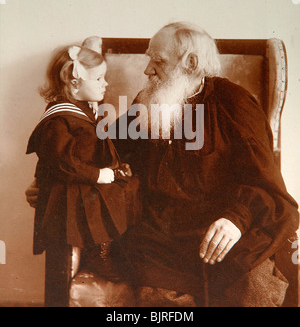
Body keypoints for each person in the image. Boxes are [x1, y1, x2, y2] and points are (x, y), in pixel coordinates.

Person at [26, 23, 299, 307]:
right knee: (157, 299)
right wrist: (47, 180)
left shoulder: (235, 104)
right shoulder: (147, 104)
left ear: (190, 63)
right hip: (161, 238)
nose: (147, 70)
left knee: (251, 288)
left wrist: (236, 220)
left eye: (157, 61)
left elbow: (264, 182)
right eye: (148, 59)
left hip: (222, 229)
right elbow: (104, 150)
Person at [26, 37, 141, 281]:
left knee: (129, 188)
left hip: (85, 182)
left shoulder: (84, 108)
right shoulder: (58, 119)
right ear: (75, 84)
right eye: (99, 79)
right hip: (73, 189)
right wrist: (99, 174)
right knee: (108, 199)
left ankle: (114, 252)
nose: (105, 84)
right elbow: (61, 162)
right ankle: (100, 256)